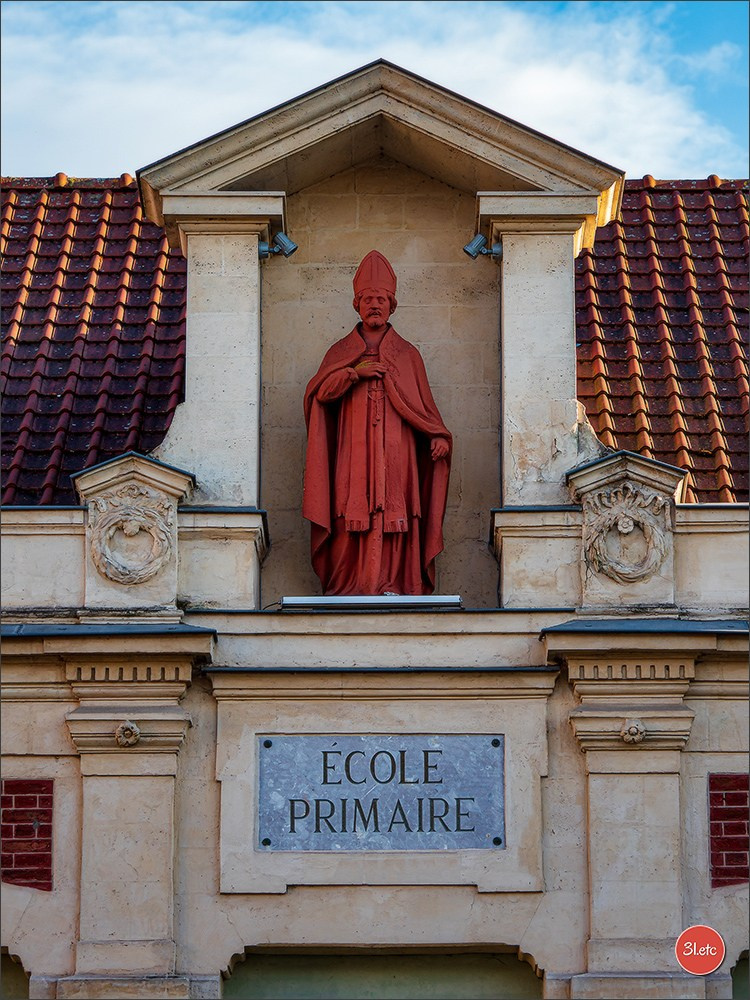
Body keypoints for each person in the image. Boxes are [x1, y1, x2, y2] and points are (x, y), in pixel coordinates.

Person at [303, 250, 451, 595]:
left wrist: (437, 437)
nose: (375, 305)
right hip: (352, 453)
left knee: (398, 512)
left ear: (391, 306)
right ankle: (348, 584)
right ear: (357, 305)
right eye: (368, 299)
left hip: (398, 453)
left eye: (381, 300)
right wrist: (354, 374)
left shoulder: (408, 355)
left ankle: (398, 582)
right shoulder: (340, 352)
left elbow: (424, 410)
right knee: (349, 509)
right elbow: (321, 395)